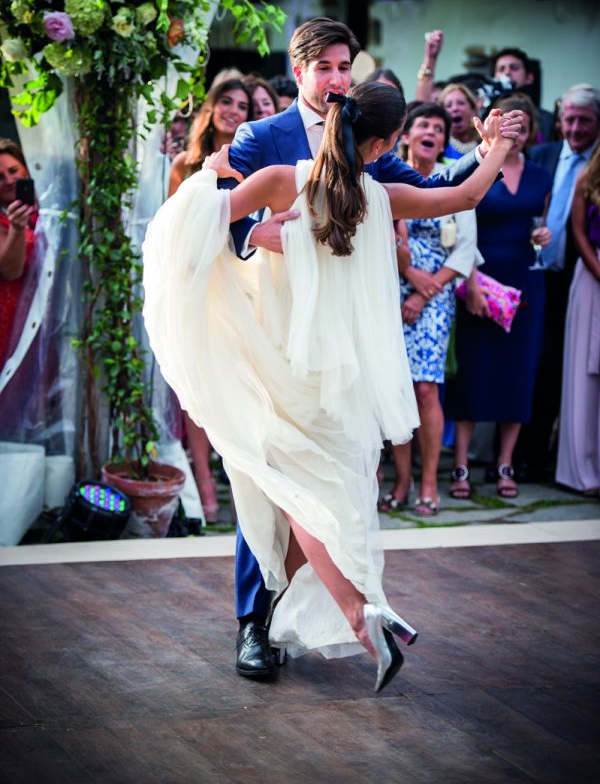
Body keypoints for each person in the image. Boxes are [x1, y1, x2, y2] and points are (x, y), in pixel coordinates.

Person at [142, 81, 520, 692]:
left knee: (294, 498)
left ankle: (357, 611)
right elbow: (468, 193)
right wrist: (496, 145)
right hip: (347, 377)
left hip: (281, 364)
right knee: (314, 494)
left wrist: (209, 178)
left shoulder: (279, 182)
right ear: (383, 144)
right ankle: (296, 617)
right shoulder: (384, 197)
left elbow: (181, 235)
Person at [378, 103, 480, 515]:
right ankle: (400, 481)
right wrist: (407, 275)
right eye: (423, 125)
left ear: (443, 139)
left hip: (434, 298)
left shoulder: (451, 180)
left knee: (425, 389)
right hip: (387, 290)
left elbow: (466, 248)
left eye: (438, 128)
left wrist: (424, 290)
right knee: (395, 390)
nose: (430, 132)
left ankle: (429, 482)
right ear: (405, 133)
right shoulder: (387, 173)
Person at [452, 94, 552, 498]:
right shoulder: (479, 164)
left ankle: (504, 462)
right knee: (474, 371)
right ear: (497, 124)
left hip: (526, 281)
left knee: (518, 371)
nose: (517, 132)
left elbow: (540, 222)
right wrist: (470, 278)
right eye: (511, 123)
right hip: (481, 276)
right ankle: (460, 465)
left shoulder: (542, 175)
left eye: (524, 126)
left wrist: (543, 235)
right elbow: (459, 220)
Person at [168, 77, 253, 521]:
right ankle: (203, 476)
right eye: (226, 102)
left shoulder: (254, 159)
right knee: (199, 382)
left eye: (242, 104)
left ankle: (239, 473)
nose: (233, 110)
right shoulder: (185, 162)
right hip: (199, 276)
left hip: (243, 274)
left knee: (238, 380)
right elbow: (173, 226)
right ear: (212, 107)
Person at [517, 84, 600, 480]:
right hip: (532, 276)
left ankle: (549, 457)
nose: (575, 127)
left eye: (584, 120)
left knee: (564, 368)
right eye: (569, 118)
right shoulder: (541, 156)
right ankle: (524, 455)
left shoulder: (596, 163)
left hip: (575, 278)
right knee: (534, 365)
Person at [556, 145, 600, 494]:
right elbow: (579, 232)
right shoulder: (588, 178)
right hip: (591, 276)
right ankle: (581, 470)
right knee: (584, 373)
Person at [0, 138, 36, 371]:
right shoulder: (5, 221)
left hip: (43, 311)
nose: (9, 181)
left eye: (13, 171)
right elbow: (10, 271)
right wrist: (17, 228)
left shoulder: (49, 207)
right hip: (11, 319)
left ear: (26, 168)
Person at [491, 47, 554, 142]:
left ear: (529, 77)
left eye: (514, 68)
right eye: (501, 69)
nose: (507, 72)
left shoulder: (548, 120)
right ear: (495, 77)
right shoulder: (487, 115)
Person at [439, 83, 481, 159]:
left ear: (472, 110)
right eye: (449, 105)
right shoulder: (439, 146)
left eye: (461, 103)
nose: (455, 108)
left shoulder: (486, 143)